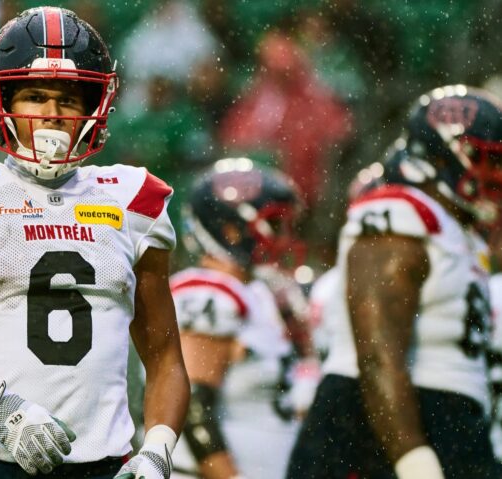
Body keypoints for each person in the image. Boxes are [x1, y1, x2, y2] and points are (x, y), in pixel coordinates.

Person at [0, 7, 189, 479]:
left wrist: (158, 449)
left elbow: (165, 361)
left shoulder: (134, 199)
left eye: (68, 99)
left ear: (93, 107)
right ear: (1, 98)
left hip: (107, 466)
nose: (52, 116)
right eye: (35, 96)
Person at [286, 85, 502, 479]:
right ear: (438, 154)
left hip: (449, 421)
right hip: (379, 425)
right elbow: (376, 353)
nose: (495, 173)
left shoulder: (459, 231)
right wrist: (412, 456)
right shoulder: (399, 212)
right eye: (483, 158)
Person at [169, 158, 313, 479]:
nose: (285, 238)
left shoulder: (258, 293)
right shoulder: (207, 292)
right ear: (231, 231)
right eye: (274, 225)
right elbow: (192, 407)